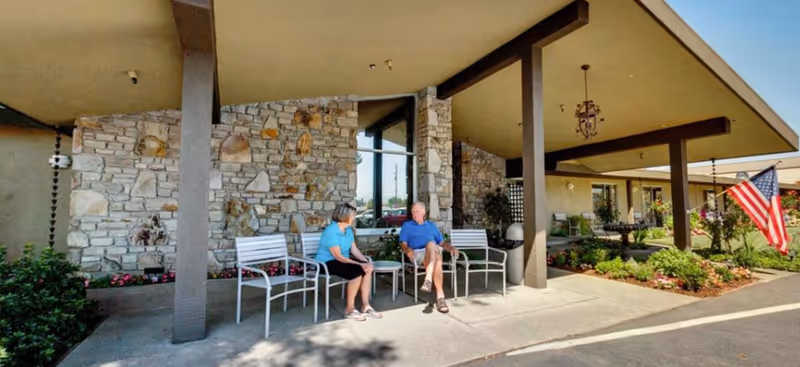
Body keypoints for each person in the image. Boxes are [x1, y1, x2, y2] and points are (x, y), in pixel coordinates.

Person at [315, 203, 383, 321]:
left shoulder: (348, 230)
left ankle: (365, 306)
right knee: (356, 272)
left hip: (342, 261)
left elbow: (354, 250)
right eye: (353, 215)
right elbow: (338, 256)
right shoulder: (331, 231)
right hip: (326, 263)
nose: (354, 217)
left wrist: (365, 262)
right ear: (345, 215)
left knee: (367, 269)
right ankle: (349, 309)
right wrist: (360, 264)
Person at [399, 202, 459, 313]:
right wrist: (408, 251)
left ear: (423, 212)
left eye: (416, 211)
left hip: (434, 252)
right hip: (418, 253)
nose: (414, 214)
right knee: (433, 248)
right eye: (412, 211)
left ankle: (428, 280)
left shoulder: (431, 226)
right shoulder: (407, 226)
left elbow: (442, 242)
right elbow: (403, 244)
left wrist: (451, 248)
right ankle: (440, 298)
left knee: (434, 249)